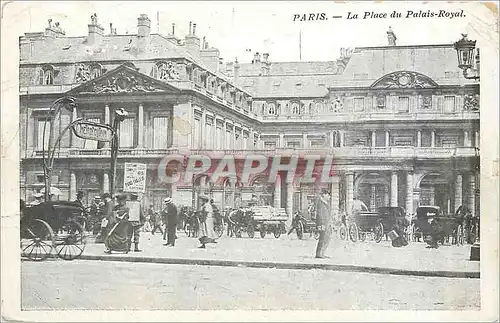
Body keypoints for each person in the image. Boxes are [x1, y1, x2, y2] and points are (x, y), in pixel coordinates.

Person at [315, 189, 332, 259]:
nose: (329, 197)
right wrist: (321, 224)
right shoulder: (320, 203)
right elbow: (319, 215)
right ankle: (319, 254)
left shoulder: (324, 202)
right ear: (324, 195)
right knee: (323, 238)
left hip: (326, 223)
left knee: (326, 238)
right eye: (328, 195)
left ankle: (321, 253)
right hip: (323, 224)